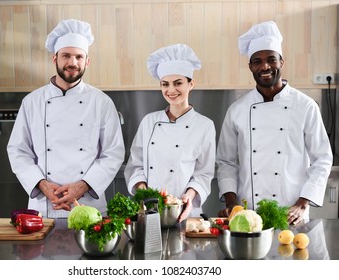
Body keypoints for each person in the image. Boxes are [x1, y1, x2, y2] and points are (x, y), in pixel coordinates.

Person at [216, 21, 333, 225]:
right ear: (250, 66)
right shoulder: (237, 110)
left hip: (291, 213)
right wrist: (232, 203)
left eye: (271, 59)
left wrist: (302, 204)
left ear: (282, 62)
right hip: (248, 214)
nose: (265, 66)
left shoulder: (305, 106)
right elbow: (225, 162)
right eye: (257, 61)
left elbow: (322, 159)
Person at [7, 19, 125, 218]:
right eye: (66, 56)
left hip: (88, 205)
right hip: (45, 206)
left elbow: (113, 153)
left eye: (79, 57)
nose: (73, 63)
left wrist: (82, 186)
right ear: (55, 59)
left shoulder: (102, 102)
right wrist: (42, 185)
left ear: (87, 61)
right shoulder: (32, 102)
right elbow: (18, 151)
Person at [124, 43, 216, 221]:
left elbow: (203, 173)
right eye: (165, 84)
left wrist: (188, 198)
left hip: (185, 212)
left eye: (178, 83)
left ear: (191, 84)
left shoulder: (204, 125)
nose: (171, 90)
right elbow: (135, 165)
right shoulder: (149, 122)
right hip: (148, 210)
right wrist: (145, 194)